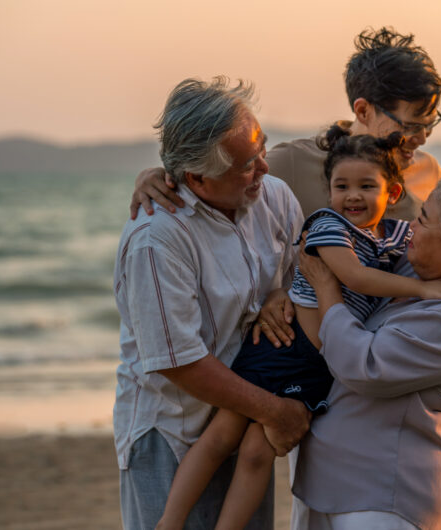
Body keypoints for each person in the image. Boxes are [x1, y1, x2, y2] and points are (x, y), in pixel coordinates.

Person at [155, 125, 441, 530]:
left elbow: (435, 244)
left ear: (394, 194)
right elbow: (357, 279)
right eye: (341, 185)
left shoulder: (395, 237)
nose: (353, 195)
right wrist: (424, 290)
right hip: (285, 345)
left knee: (257, 453)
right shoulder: (328, 226)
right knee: (222, 435)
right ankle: (168, 523)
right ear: (328, 190)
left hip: (321, 368)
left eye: (367, 186)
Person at [129, 26, 441, 349]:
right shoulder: (294, 163)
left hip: (393, 349)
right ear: (363, 110)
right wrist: (156, 175)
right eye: (410, 126)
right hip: (323, 352)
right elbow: (225, 170)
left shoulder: (428, 172)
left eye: (429, 125)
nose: (421, 139)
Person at [292, 164, 441, 530]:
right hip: (340, 485)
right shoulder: (420, 267)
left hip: (382, 499)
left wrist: (326, 288)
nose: (410, 226)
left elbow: (363, 365)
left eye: (423, 220)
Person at [113, 77, 311, 530]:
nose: (263, 167)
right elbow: (178, 361)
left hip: (247, 425)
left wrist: (282, 294)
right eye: (247, 164)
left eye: (262, 149)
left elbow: (305, 278)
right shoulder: (156, 238)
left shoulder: (274, 197)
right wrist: (275, 412)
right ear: (196, 177)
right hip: (174, 432)